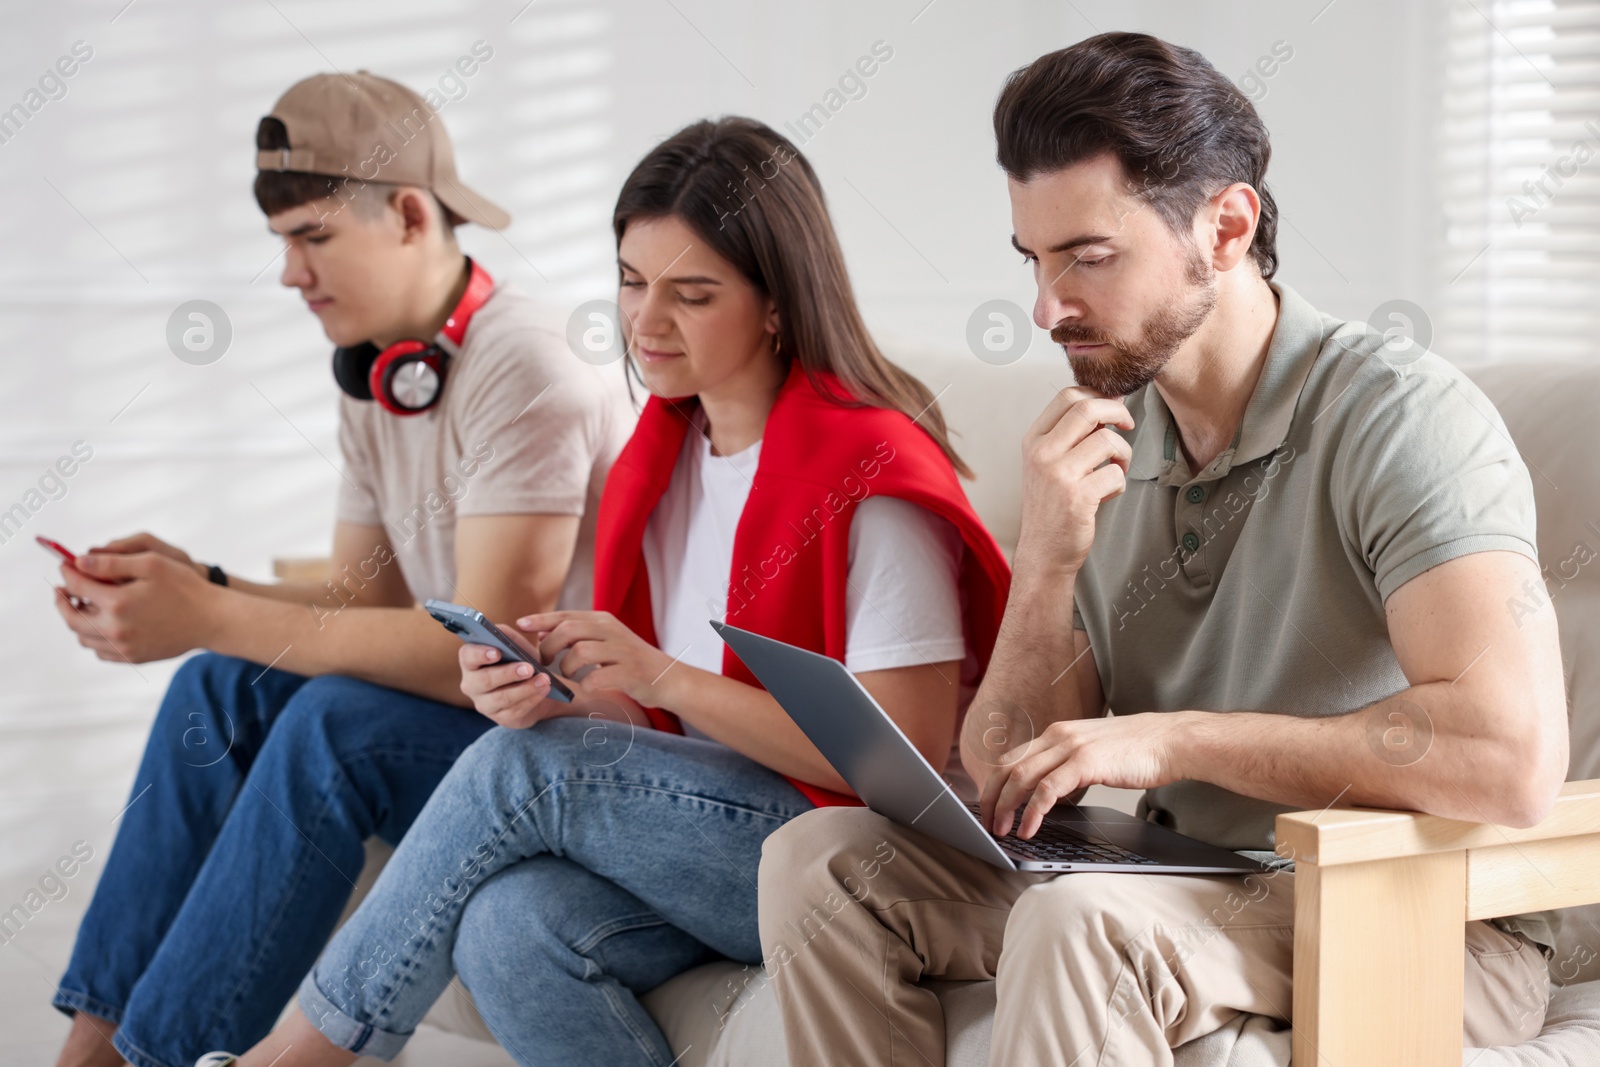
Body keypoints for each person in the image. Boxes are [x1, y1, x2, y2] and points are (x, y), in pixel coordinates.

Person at [757, 32, 1570, 1067]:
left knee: (1078, 922)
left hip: (1410, 908)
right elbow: (1007, 772)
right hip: (1186, 875)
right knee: (818, 859)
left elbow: (1506, 757)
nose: (1046, 308)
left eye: (1088, 256)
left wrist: (1173, 737)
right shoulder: (1104, 437)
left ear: (1224, 227)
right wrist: (1046, 560)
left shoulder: (1398, 419)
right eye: (1036, 261)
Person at [207, 115, 1013, 1067]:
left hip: (847, 853)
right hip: (713, 837)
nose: (645, 321)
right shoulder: (660, 458)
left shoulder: (871, 474)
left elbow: (903, 758)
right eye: (632, 282)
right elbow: (662, 724)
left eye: (693, 293)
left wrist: (663, 678)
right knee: (509, 924)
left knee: (527, 771)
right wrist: (557, 688)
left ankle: (292, 1058)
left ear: (777, 305)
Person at [50, 72, 633, 1067]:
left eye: (311, 236)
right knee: (218, 682)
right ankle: (94, 1050)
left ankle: (166, 1054)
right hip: (475, 720)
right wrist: (203, 585)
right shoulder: (384, 371)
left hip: (559, 739)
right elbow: (365, 602)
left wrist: (207, 611)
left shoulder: (523, 366)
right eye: (283, 243)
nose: (288, 273)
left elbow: (485, 649)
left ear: (409, 214)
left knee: (333, 725)